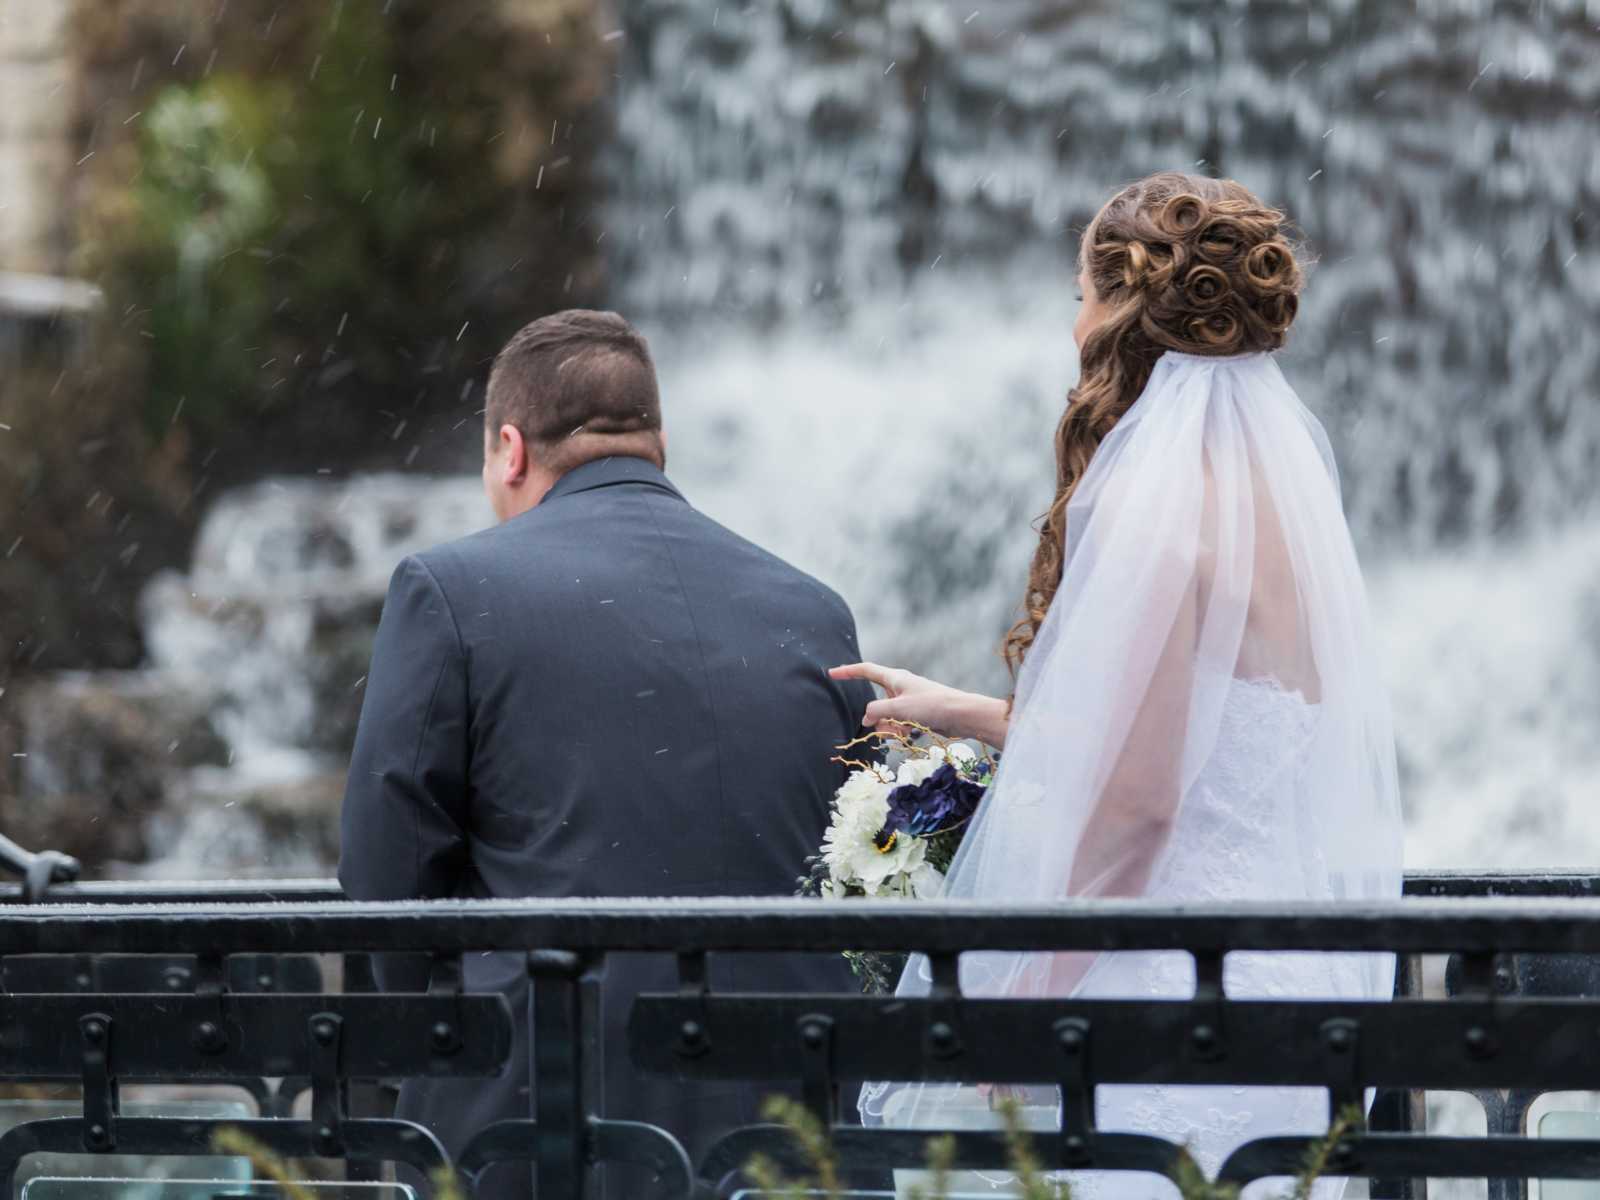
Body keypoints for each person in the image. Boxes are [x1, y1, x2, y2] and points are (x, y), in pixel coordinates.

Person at [834, 172, 1404, 1197]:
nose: (1075, 326)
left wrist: (1017, 1012)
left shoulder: (1155, 503)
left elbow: (1139, 809)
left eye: (1082, 297)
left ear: (1123, 311)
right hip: (1281, 983)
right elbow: (1204, 737)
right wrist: (963, 711)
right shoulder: (1281, 493)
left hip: (1162, 1001)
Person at [338, 309, 873, 1199]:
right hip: (787, 1133)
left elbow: (384, 883)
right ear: (658, 441)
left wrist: (446, 1029)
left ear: (510, 450)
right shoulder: (813, 608)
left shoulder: (451, 590)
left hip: (543, 1128)